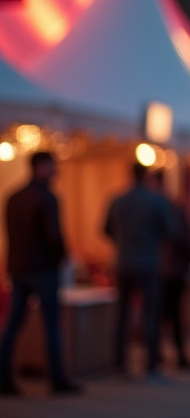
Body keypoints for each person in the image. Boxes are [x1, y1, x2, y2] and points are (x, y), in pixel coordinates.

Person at [0, 151, 82, 396]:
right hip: (43, 269)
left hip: (18, 267)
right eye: (54, 166)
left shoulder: (13, 197)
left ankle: (4, 377)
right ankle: (57, 379)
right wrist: (63, 259)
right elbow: (53, 235)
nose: (57, 171)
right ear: (42, 166)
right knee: (52, 325)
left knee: (13, 324)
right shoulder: (47, 198)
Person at [105, 162, 178, 381]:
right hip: (148, 263)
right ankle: (150, 365)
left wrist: (124, 242)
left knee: (122, 315)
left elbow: (106, 229)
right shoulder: (156, 201)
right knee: (150, 314)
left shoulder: (117, 200)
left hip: (123, 262)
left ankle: (119, 364)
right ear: (146, 176)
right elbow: (170, 231)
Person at [150, 172, 190, 369]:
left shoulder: (153, 206)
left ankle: (156, 353)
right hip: (173, 268)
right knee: (174, 313)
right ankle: (177, 354)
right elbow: (184, 237)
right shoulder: (172, 207)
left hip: (157, 268)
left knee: (159, 312)